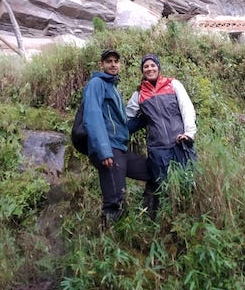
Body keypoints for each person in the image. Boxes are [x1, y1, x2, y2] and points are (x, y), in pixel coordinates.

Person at [82, 49, 153, 228]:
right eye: (109, 61)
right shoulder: (96, 84)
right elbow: (93, 115)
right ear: (102, 65)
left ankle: (149, 216)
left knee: (153, 171)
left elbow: (121, 127)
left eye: (116, 61)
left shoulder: (113, 88)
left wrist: (144, 119)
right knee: (114, 200)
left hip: (119, 149)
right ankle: (107, 245)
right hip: (109, 150)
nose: (113, 64)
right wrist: (104, 151)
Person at [126, 53, 197, 216]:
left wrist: (189, 133)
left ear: (158, 67)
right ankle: (166, 219)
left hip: (180, 142)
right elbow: (127, 115)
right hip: (158, 148)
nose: (150, 68)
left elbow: (187, 108)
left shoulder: (173, 84)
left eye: (152, 65)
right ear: (142, 71)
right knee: (163, 186)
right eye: (146, 66)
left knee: (188, 181)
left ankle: (189, 215)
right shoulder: (139, 94)